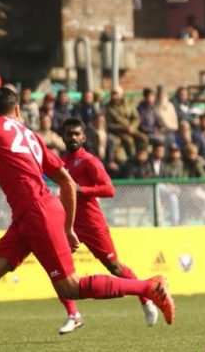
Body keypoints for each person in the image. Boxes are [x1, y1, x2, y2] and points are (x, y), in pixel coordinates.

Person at [0, 88, 174, 352]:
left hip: (36, 213)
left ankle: (149, 286)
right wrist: (67, 227)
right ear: (17, 111)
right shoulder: (30, 135)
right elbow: (66, 181)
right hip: (29, 216)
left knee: (70, 287)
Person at [55, 118, 161, 333]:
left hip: (93, 225)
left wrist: (82, 190)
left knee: (114, 267)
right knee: (56, 268)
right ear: (63, 137)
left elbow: (109, 189)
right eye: (69, 134)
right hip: (68, 225)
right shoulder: (60, 162)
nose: (73, 137)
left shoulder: (89, 161)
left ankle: (145, 298)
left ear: (83, 137)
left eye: (76, 134)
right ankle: (73, 314)